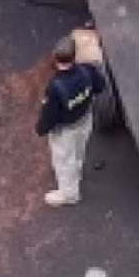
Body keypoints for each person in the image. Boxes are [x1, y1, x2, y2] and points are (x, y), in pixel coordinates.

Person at [34, 36, 106, 207]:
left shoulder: (55, 87)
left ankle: (69, 195)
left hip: (65, 130)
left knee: (64, 161)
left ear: (55, 57)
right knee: (78, 151)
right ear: (75, 55)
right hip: (85, 120)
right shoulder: (87, 70)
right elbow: (100, 86)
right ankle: (77, 172)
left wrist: (41, 129)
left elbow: (50, 115)